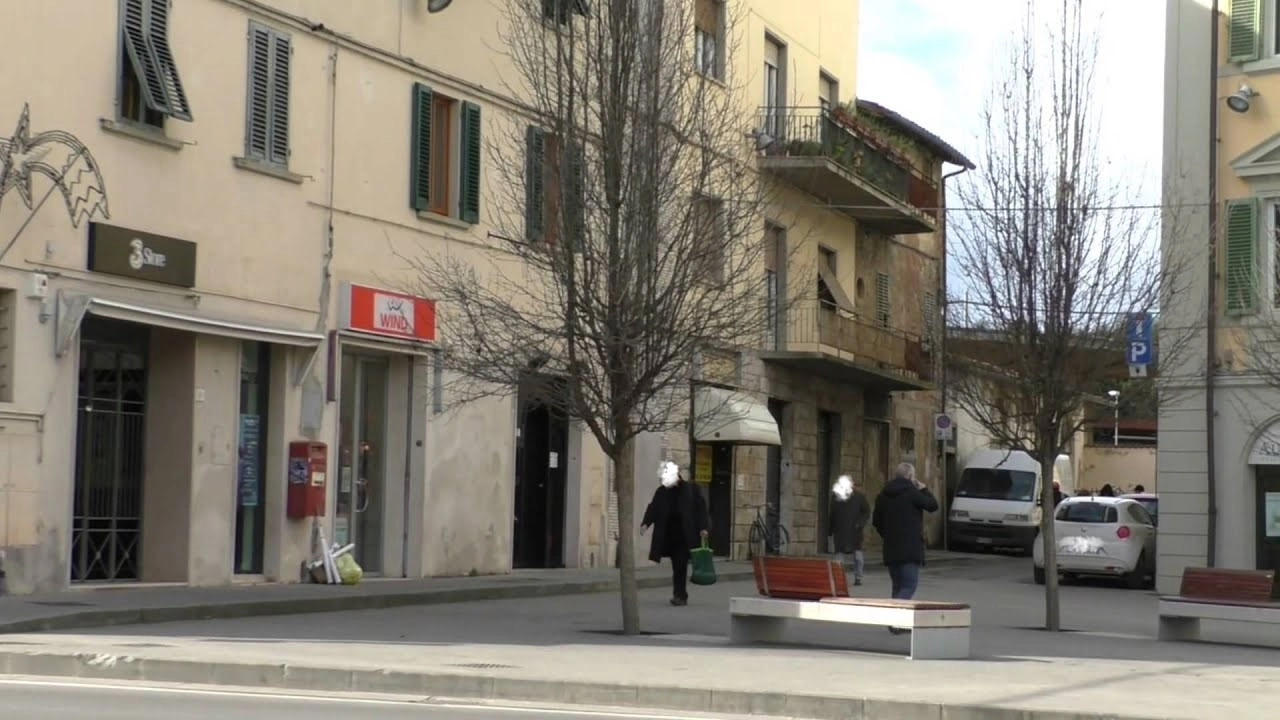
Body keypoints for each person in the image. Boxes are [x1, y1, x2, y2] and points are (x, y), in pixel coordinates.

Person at [872, 462, 939, 633]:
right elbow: (933, 505)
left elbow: (876, 522)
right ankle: (893, 618)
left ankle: (897, 624)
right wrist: (923, 489)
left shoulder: (883, 495)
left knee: (897, 585)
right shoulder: (913, 494)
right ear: (910, 477)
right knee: (909, 585)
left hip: (891, 548)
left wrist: (888, 536)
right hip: (910, 549)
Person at [641, 461, 709, 606]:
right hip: (668, 535)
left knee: (680, 564)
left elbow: (701, 510)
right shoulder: (661, 492)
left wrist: (703, 528)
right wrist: (646, 523)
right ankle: (679, 593)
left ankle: (680, 595)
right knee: (676, 565)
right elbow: (653, 508)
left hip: (685, 535)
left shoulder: (691, 490)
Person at [829, 474, 871, 586]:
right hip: (840, 530)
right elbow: (832, 514)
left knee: (858, 556)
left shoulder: (859, 497)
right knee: (839, 557)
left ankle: (858, 577)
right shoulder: (836, 497)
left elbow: (866, 511)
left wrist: (860, 523)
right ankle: (838, 578)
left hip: (855, 530)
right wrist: (830, 529)